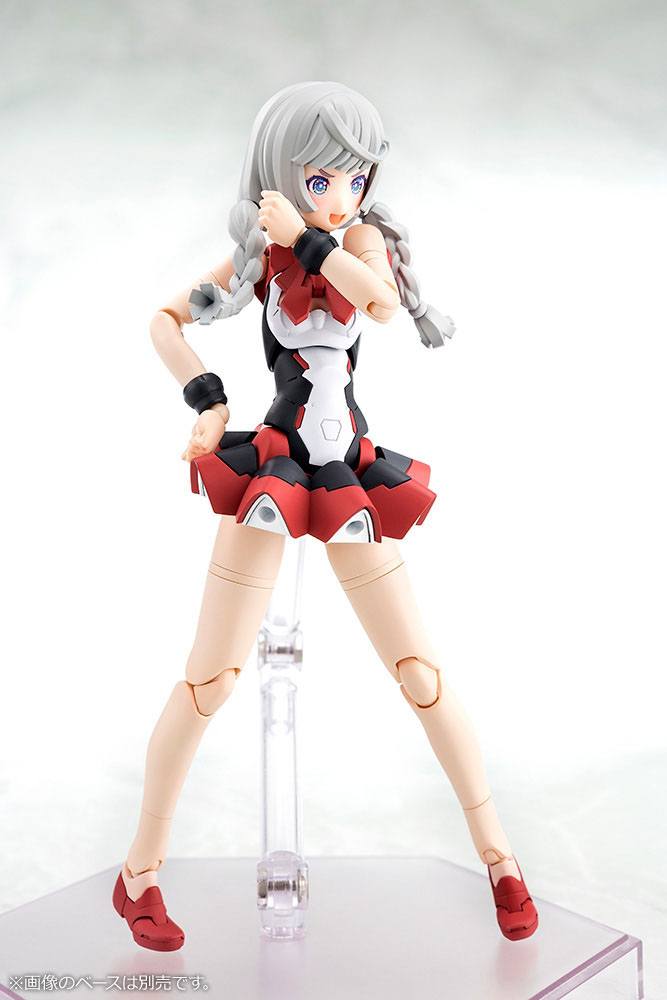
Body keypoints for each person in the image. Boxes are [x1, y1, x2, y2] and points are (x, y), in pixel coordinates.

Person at [112, 81, 538, 951]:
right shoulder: (260, 255)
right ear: (280, 172)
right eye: (319, 179)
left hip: (345, 474)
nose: (341, 196)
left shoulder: (354, 242)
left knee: (418, 673)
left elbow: (377, 300)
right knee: (210, 681)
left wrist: (307, 234)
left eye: (355, 177)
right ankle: (139, 875)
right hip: (274, 470)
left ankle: (501, 859)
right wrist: (206, 398)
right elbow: (162, 322)